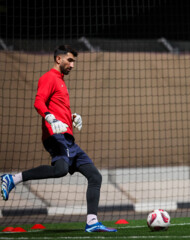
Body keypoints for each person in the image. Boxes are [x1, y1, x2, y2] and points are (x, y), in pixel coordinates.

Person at [1, 45, 117, 233]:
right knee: (61, 169)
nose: (72, 65)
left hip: (68, 139)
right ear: (58, 59)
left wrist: (72, 117)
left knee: (95, 176)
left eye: (74, 61)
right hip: (56, 136)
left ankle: (92, 221)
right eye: (69, 60)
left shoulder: (61, 81)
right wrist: (49, 117)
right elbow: (38, 101)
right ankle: (12, 179)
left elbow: (58, 108)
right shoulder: (49, 78)